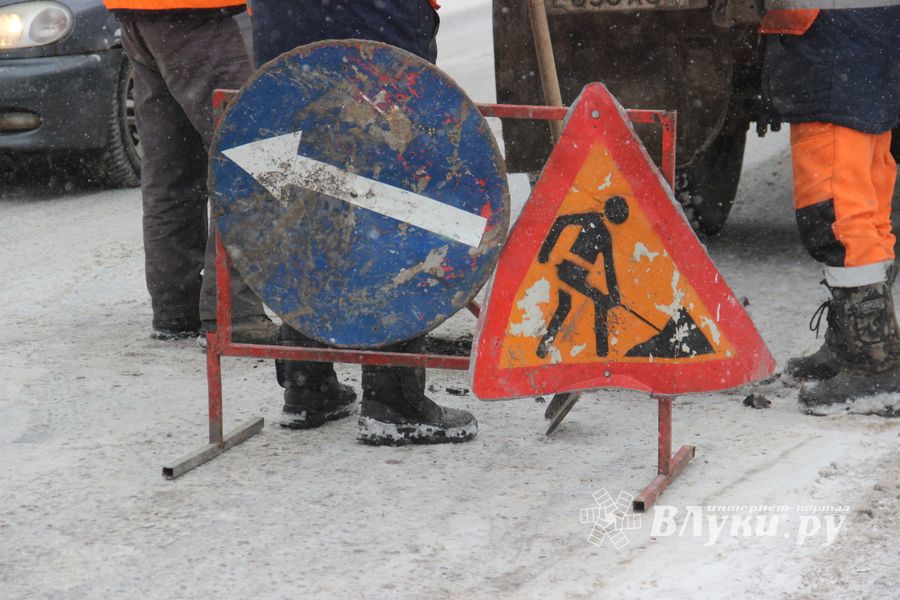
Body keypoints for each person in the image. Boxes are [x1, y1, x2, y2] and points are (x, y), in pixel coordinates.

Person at [250, 0, 479, 445]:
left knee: (311, 190)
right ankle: (393, 399)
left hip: (285, 22)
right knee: (391, 203)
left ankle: (306, 381)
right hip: (377, 19)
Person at [101, 0, 277, 344]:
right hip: (200, 16)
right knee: (248, 160)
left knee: (172, 168)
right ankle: (232, 314)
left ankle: (176, 309)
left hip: (141, 15)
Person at [760, 1, 900, 415]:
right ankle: (864, 343)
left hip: (832, 37)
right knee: (867, 202)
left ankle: (872, 364)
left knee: (837, 213)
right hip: (863, 33)